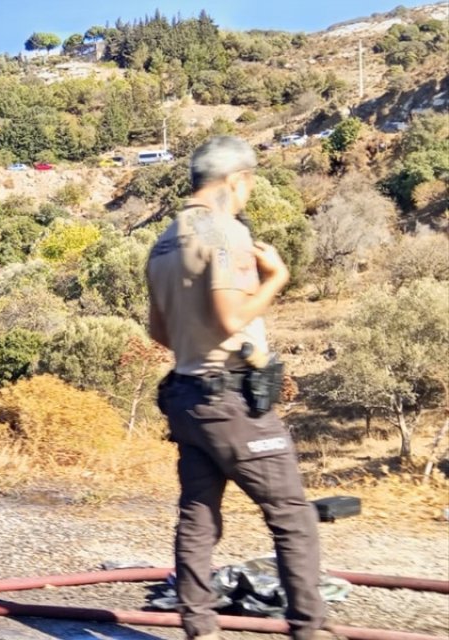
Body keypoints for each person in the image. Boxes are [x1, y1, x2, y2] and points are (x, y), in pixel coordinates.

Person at [145, 136, 331, 640]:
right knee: (292, 514)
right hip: (230, 396)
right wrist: (277, 280)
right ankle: (310, 628)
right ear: (236, 180)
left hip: (185, 394)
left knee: (198, 516)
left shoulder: (165, 239)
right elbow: (230, 318)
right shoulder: (226, 232)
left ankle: (199, 627)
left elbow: (157, 332)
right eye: (249, 184)